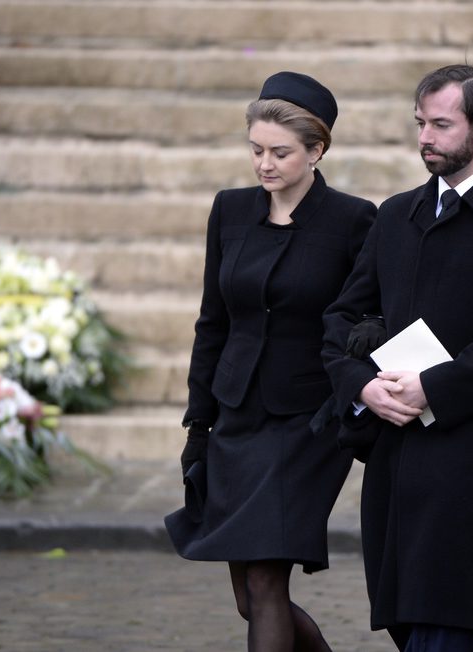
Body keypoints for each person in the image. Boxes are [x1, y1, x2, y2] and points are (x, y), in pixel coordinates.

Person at [321, 64, 473, 651]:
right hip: (392, 441)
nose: (425, 138)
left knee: (446, 614)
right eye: (419, 124)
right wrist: (361, 387)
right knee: (408, 617)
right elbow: (341, 318)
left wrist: (435, 386)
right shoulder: (395, 214)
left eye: (441, 124)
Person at [164, 71, 376, 651]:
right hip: (236, 416)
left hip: (308, 422)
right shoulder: (230, 211)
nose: (264, 164)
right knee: (250, 598)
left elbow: (370, 313)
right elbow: (213, 322)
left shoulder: (354, 220)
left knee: (264, 580)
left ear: (317, 150)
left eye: (280, 152)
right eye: (256, 150)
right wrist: (198, 425)